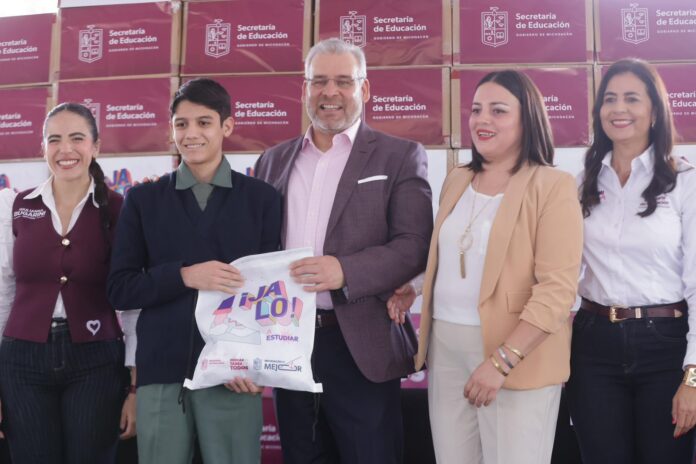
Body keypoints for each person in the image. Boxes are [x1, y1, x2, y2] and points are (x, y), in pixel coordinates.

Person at [252, 38, 433, 464]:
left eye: (343, 81)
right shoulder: (272, 161)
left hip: (360, 344)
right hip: (288, 342)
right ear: (304, 89)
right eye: (318, 81)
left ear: (364, 89)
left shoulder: (400, 156)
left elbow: (415, 245)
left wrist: (345, 271)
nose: (329, 92)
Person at [388, 70, 583, 464]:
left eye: (498, 110)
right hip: (446, 347)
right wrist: (417, 285)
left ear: (527, 118)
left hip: (516, 352)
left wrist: (502, 362)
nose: (482, 120)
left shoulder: (553, 185)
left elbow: (557, 292)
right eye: (476, 110)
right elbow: (457, 252)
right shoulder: (458, 179)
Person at [107, 78, 282, 464]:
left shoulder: (262, 199)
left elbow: (273, 295)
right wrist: (184, 276)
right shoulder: (143, 200)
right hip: (162, 371)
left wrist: (256, 364)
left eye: (204, 123)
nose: (191, 134)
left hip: (235, 373)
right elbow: (120, 288)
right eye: (181, 124)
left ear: (227, 126)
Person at [566, 58, 696, 463]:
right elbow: (562, 270)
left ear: (655, 111)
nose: (618, 109)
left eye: (632, 99)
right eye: (609, 99)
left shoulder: (684, 181)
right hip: (593, 345)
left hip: (666, 346)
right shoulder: (581, 184)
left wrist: (693, 377)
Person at [0, 102, 136, 464]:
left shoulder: (121, 208)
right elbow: (2, 293)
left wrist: (135, 386)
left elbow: (133, 304)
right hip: (21, 361)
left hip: (97, 360)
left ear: (96, 146)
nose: (65, 149)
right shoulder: (14, 205)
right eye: (54, 139)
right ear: (42, 147)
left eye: (77, 138)